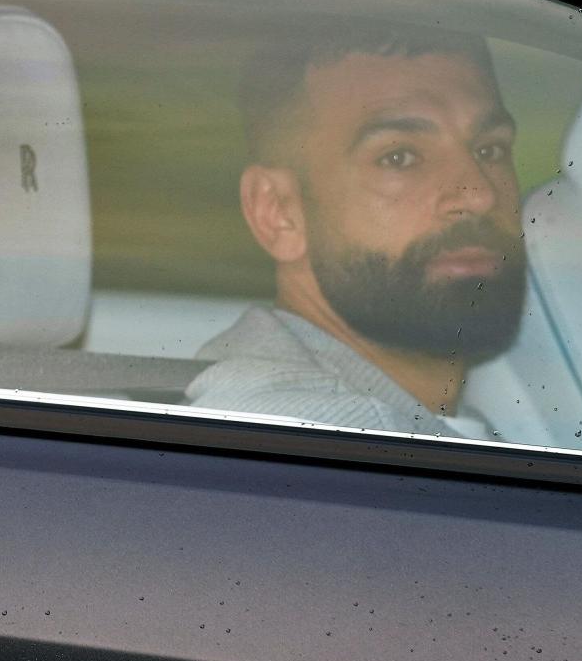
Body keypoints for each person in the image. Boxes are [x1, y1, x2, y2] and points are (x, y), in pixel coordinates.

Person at [184, 23, 528, 437]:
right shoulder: (328, 440)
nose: (479, 196)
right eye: (399, 157)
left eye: (490, 149)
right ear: (278, 212)